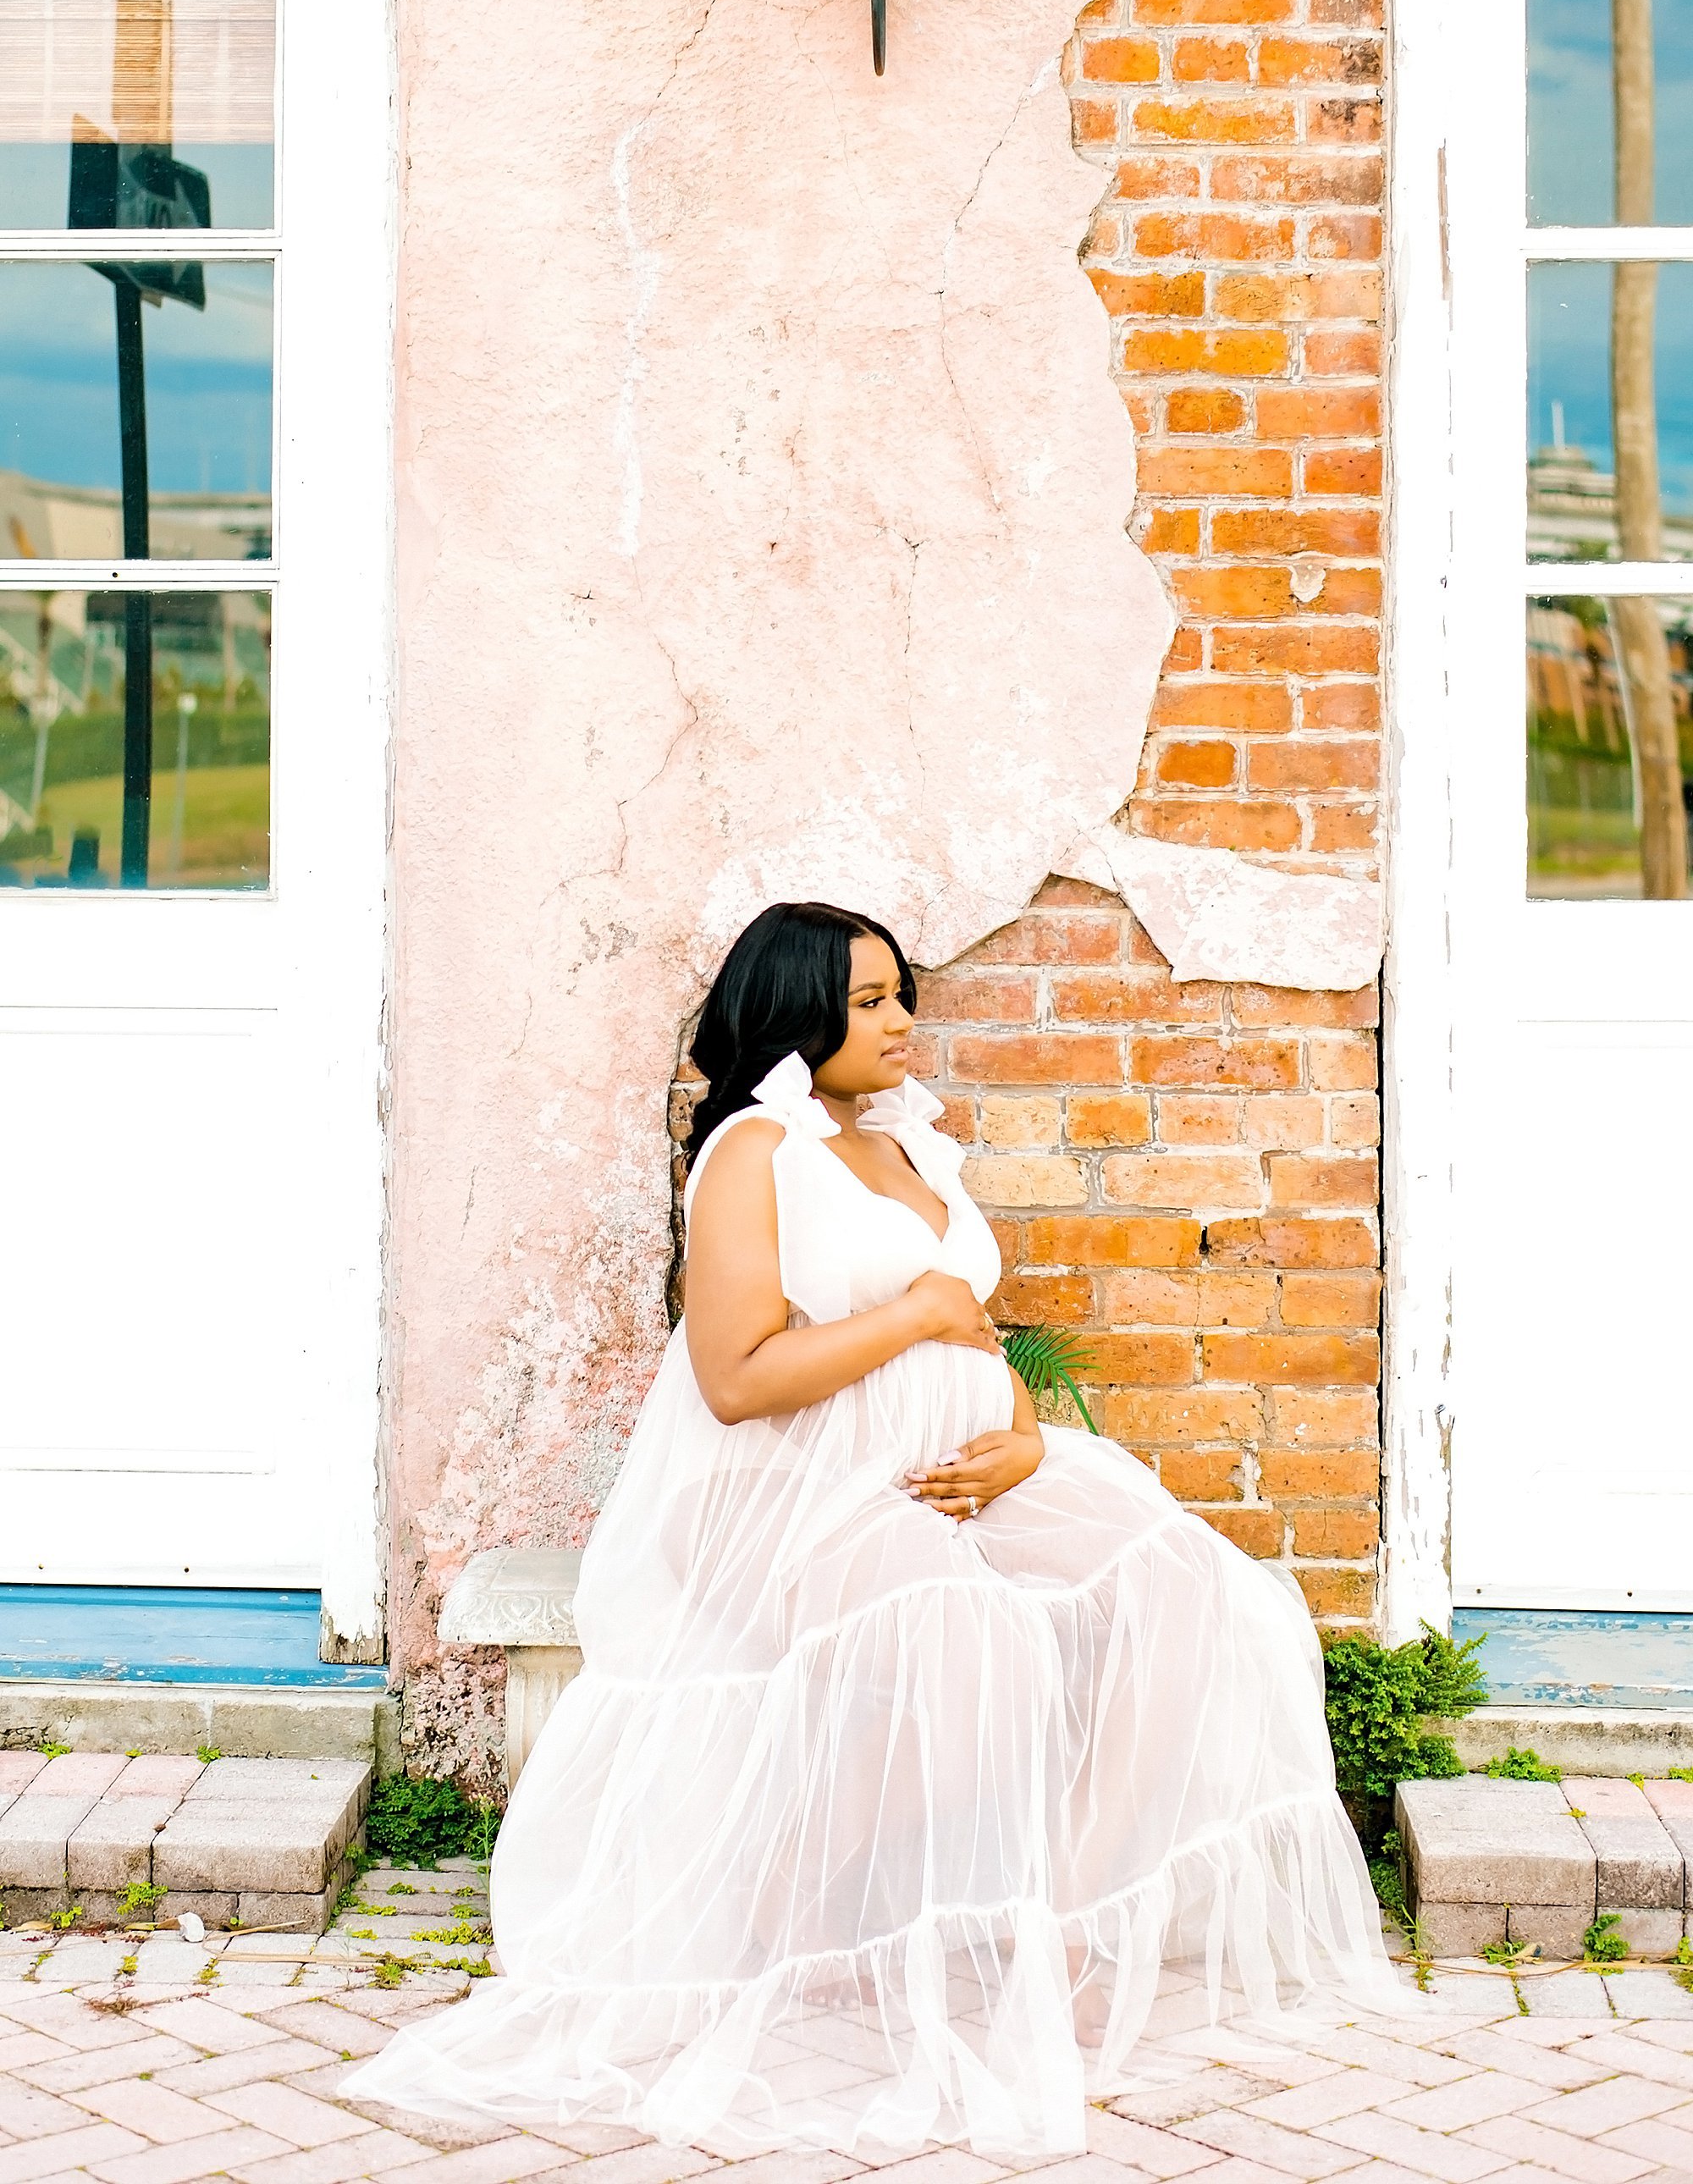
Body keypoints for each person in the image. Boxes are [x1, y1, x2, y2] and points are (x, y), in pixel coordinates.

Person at [349, 900, 1397, 2157]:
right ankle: (811, 1909)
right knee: (965, 1639)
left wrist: (1017, 1437)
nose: (903, 1021)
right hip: (790, 1495)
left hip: (953, 1470)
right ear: (798, 1015)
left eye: (901, 995)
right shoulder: (755, 1150)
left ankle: (1064, 1928)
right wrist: (920, 1318)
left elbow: (976, 1330)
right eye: (870, 1002)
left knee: (1181, 1586)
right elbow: (739, 1375)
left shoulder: (913, 1145)